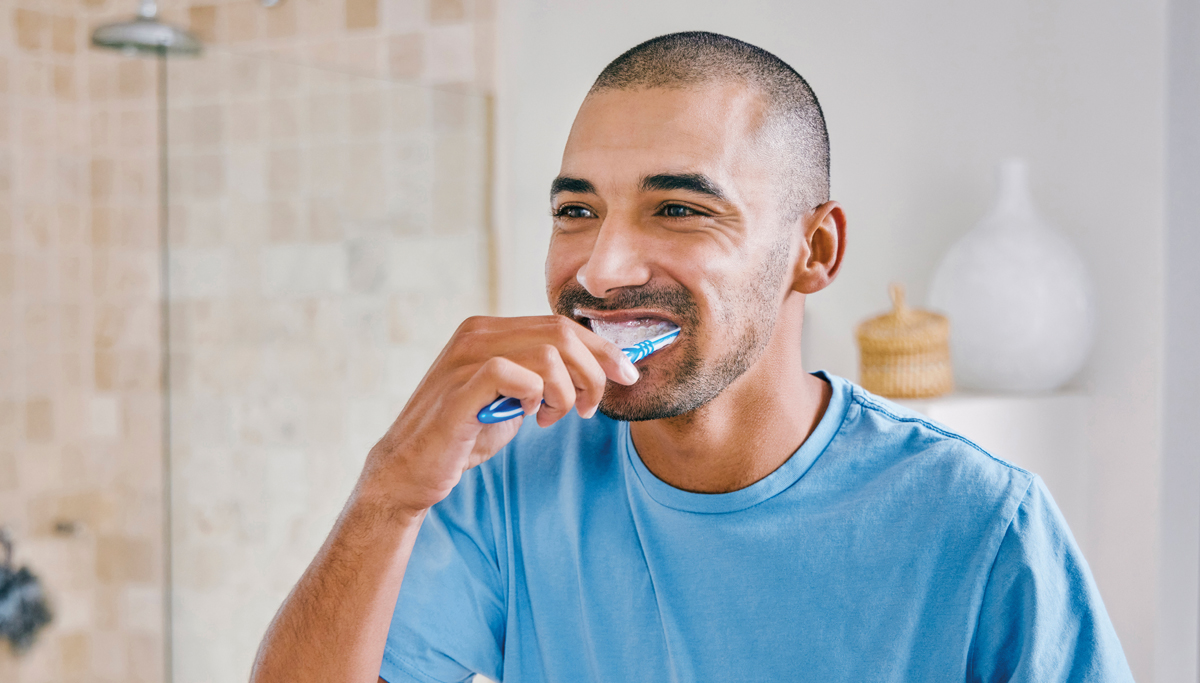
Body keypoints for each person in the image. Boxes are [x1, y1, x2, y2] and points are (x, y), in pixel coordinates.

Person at [250, 32, 1132, 683]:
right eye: (576, 211)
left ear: (814, 251)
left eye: (678, 209)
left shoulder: (980, 524)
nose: (599, 269)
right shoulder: (503, 485)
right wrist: (390, 490)